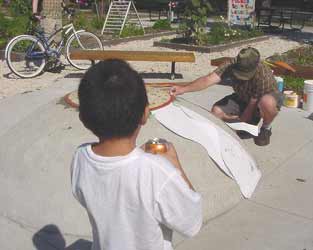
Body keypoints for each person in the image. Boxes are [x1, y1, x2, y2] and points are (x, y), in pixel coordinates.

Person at [71, 59, 202, 250]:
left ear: (83, 118)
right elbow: (192, 222)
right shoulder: (158, 171)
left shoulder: (80, 157)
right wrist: (175, 166)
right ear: (145, 114)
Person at [171, 47, 283, 146]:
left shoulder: (263, 73)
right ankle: (235, 127)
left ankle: (266, 128)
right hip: (242, 97)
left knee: (267, 102)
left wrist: (242, 121)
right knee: (216, 112)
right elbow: (208, 80)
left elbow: (253, 102)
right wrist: (182, 89)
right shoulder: (231, 65)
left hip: (261, 100)